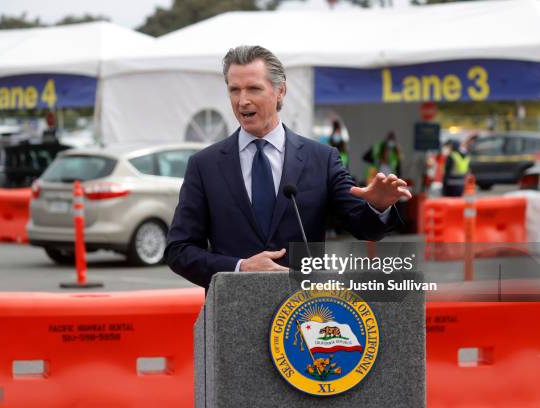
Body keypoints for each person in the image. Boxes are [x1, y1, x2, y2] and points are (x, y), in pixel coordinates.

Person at [165, 46, 411, 289]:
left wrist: (378, 206)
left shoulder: (322, 159)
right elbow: (179, 250)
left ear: (280, 91)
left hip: (306, 313)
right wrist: (240, 267)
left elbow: (364, 227)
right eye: (234, 90)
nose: (243, 101)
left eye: (254, 89)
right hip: (231, 314)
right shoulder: (204, 165)